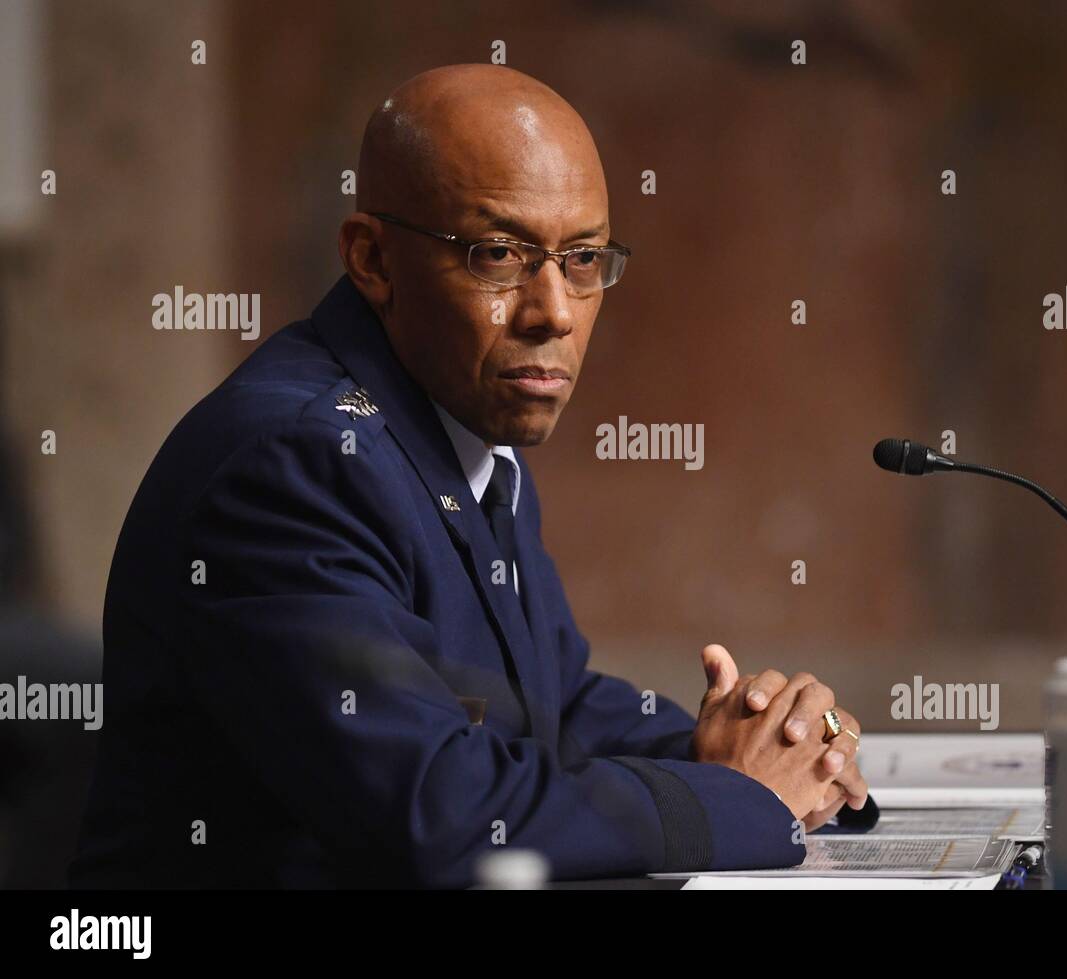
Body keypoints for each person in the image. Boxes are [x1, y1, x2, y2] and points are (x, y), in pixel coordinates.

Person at [70, 65, 869, 888]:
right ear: (372, 258)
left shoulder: (461, 416)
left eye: (584, 258)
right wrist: (734, 797)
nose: (553, 310)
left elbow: (544, 706)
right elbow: (441, 811)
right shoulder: (296, 464)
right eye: (499, 254)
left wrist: (754, 742)